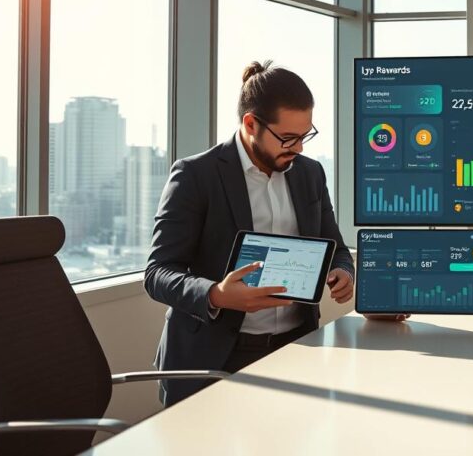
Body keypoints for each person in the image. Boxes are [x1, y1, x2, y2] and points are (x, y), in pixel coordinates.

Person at [145, 61, 362, 406]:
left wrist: (343, 271)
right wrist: (217, 295)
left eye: (305, 136)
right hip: (214, 357)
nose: (299, 148)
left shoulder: (310, 174)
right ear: (251, 124)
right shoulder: (195, 175)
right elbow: (157, 273)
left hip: (295, 349)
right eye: (288, 138)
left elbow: (334, 246)